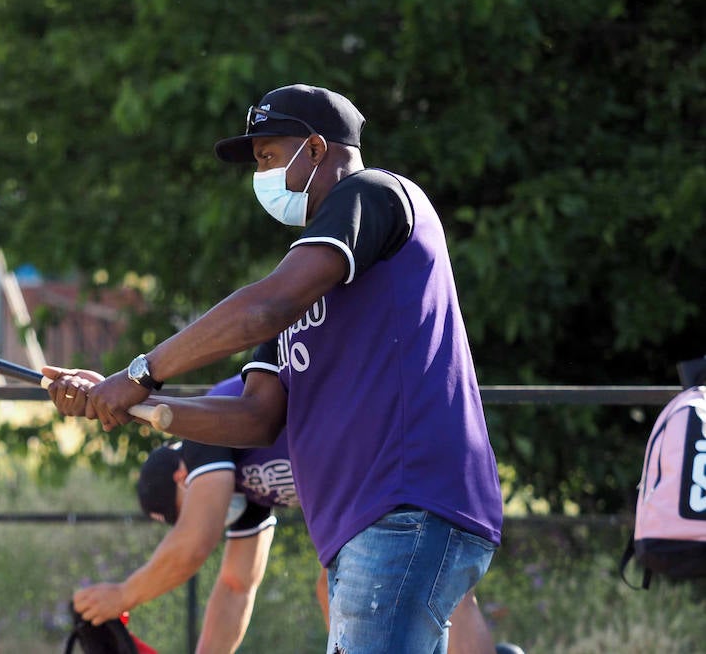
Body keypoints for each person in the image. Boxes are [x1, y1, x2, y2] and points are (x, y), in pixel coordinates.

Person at [46, 83, 503, 654]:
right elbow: (257, 418)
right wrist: (128, 403)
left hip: (405, 503)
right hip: (364, 525)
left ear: (315, 150)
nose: (259, 175)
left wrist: (139, 372)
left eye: (267, 156)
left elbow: (263, 307)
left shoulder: (376, 194)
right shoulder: (308, 280)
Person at [81, 348, 499, 654]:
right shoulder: (246, 490)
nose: (197, 513)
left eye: (182, 507)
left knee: (363, 583)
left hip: (389, 452)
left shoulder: (200, 439)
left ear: (180, 474)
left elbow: (194, 542)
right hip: (380, 473)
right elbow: (235, 585)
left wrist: (122, 595)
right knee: (431, 588)